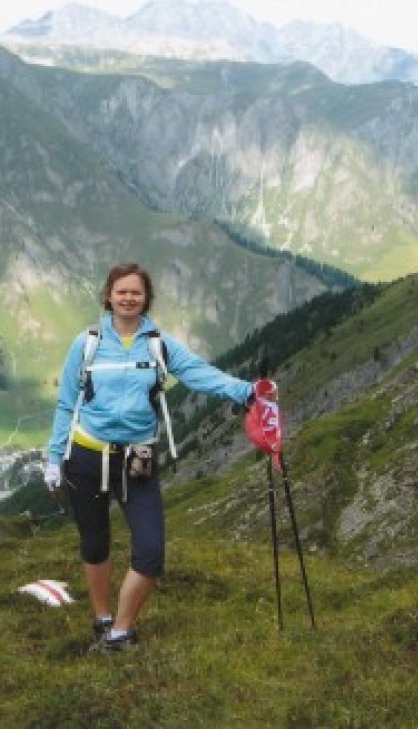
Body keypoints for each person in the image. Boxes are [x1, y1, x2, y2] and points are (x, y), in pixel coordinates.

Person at [46, 262, 257, 652]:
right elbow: (65, 403)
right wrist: (54, 458)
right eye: (121, 292)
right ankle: (103, 619)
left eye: (136, 292)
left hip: (137, 458)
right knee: (95, 541)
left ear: (146, 298)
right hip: (87, 455)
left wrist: (248, 391)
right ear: (108, 296)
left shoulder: (160, 343)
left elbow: (198, 373)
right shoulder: (86, 343)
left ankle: (121, 630)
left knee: (151, 550)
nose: (128, 298)